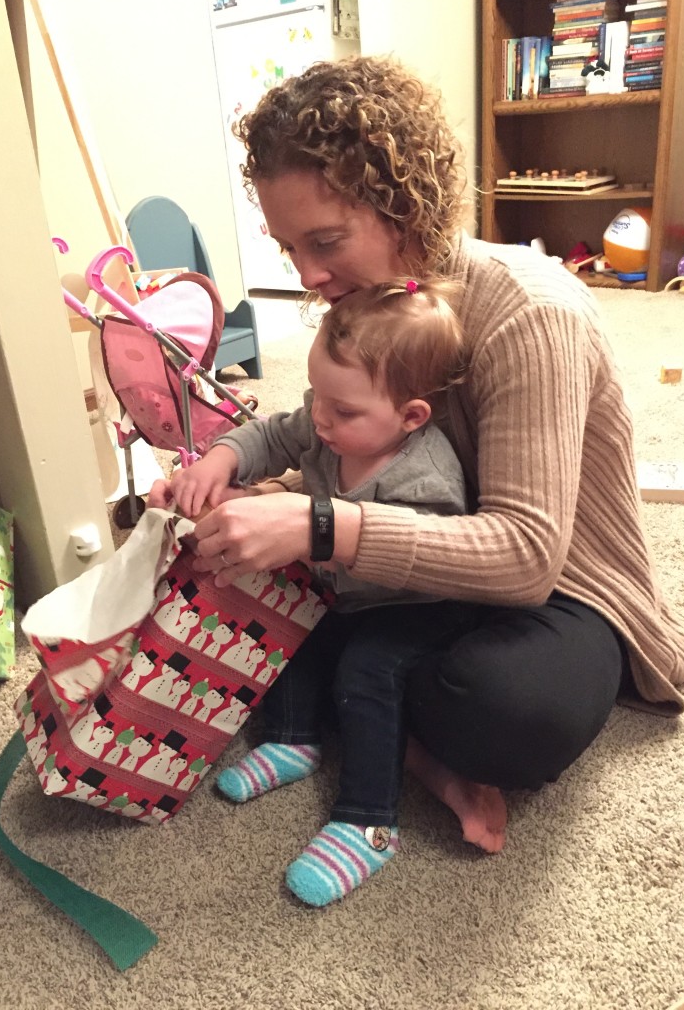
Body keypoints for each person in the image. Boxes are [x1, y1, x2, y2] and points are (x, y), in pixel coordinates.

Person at [149, 54, 684, 872]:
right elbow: (326, 437)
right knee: (252, 582)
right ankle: (383, 714)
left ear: (405, 206)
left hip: (556, 586)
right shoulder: (361, 311)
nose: (307, 276)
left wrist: (317, 523)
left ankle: (392, 729)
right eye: (288, 245)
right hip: (417, 577)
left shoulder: (528, 312)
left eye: (326, 241)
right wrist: (236, 475)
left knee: (508, 713)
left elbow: (524, 556)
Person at [167, 277, 471, 906]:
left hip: (417, 607)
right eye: (317, 398)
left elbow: (424, 560)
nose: (322, 420)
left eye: (345, 411)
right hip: (346, 591)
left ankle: (369, 821)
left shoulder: (425, 475)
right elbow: (273, 433)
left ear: (411, 415)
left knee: (366, 670)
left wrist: (312, 540)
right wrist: (221, 461)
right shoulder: (327, 423)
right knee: (293, 627)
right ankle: (293, 738)